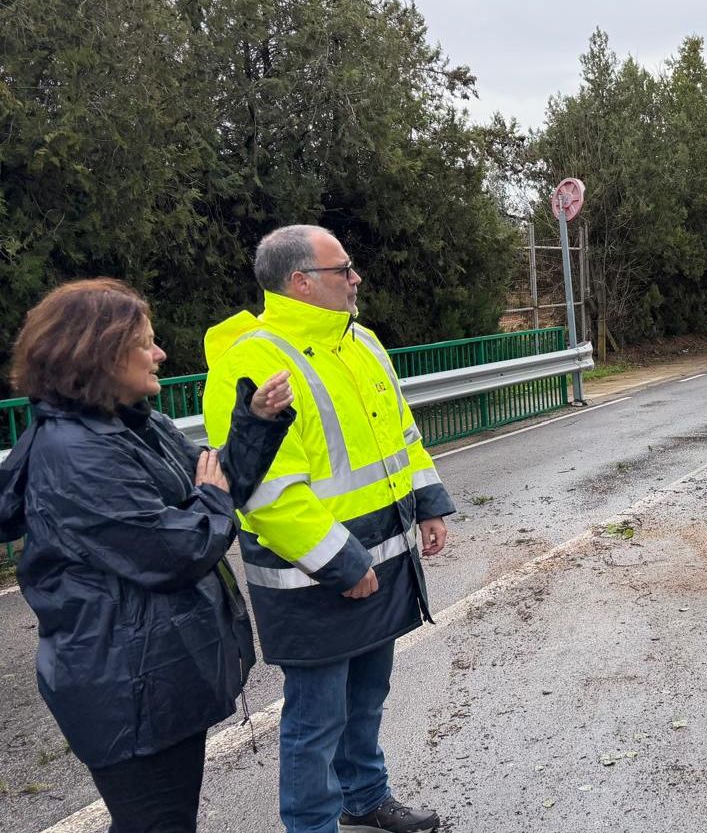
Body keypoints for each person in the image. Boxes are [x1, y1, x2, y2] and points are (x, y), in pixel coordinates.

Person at [0, 279, 294, 833]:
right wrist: (211, 497)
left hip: (155, 670)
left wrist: (253, 422)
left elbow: (221, 484)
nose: (160, 354)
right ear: (99, 352)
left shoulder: (137, 424)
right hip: (126, 685)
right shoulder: (79, 454)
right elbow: (176, 549)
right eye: (146, 343)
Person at [203, 225, 456, 833]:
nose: (356, 278)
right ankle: (311, 824)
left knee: (367, 698)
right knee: (316, 719)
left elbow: (401, 434)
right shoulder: (253, 359)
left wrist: (429, 503)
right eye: (344, 268)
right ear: (302, 282)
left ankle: (365, 797)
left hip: (384, 558)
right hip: (313, 578)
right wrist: (343, 564)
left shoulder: (361, 341)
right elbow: (265, 492)